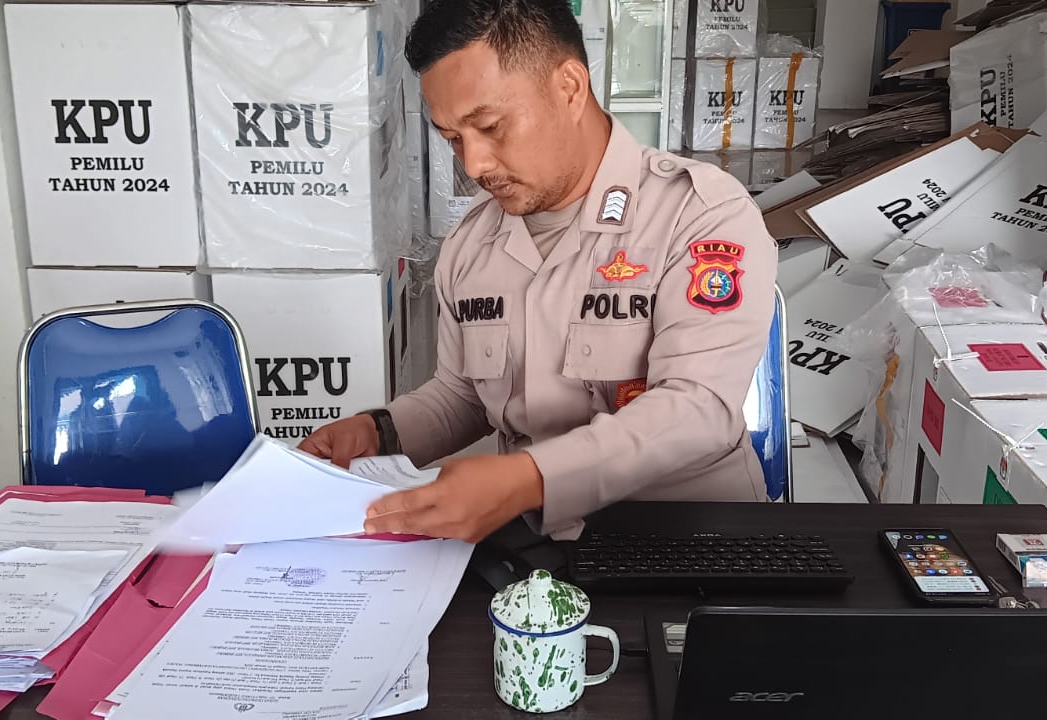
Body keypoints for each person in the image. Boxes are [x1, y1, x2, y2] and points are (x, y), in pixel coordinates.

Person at [298, 0, 776, 542]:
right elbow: (462, 395)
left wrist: (528, 480)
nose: (474, 164)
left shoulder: (699, 214)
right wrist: (378, 432)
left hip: (689, 540)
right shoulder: (472, 243)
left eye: (490, 126)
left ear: (569, 87)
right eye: (453, 139)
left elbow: (697, 409)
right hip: (537, 546)